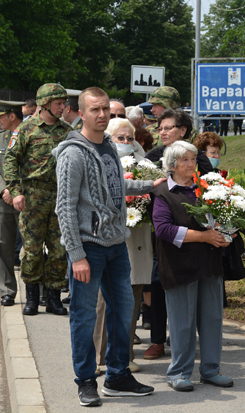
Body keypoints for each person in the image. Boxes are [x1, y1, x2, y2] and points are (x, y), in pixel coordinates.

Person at [55, 87, 161, 406]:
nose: (102, 115)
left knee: (123, 311)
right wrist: (77, 256)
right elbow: (65, 207)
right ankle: (86, 380)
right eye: (95, 109)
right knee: (84, 316)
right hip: (88, 249)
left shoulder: (109, 146)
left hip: (117, 245)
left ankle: (117, 376)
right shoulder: (73, 153)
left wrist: (149, 185)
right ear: (81, 114)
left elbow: (115, 187)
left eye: (105, 108)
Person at [152, 140, 233, 391]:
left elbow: (225, 218)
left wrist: (226, 234)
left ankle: (211, 370)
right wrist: (203, 237)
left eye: (193, 159)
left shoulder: (207, 187)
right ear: (172, 165)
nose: (191, 164)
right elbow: (163, 229)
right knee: (182, 323)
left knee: (212, 320)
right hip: (180, 266)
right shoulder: (163, 192)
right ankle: (179, 373)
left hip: (209, 263)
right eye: (185, 160)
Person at [143, 108, 213, 361]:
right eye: (160, 128)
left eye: (168, 127)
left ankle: (183, 338)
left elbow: (212, 190)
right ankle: (157, 339)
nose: (162, 132)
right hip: (161, 231)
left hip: (194, 233)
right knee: (158, 282)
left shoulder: (199, 159)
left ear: (182, 130)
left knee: (191, 286)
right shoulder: (153, 157)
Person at [3, 83, 71, 316]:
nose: (62, 107)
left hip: (60, 197)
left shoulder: (67, 131)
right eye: (58, 103)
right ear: (44, 104)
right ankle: (32, 298)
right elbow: (10, 160)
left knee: (59, 250)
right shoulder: (26, 129)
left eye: (64, 103)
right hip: (33, 197)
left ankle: (53, 298)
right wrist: (16, 191)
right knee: (32, 251)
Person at [91, 118, 153, 375]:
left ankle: (125, 356)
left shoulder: (145, 164)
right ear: (109, 138)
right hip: (110, 237)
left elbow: (154, 193)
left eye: (130, 138)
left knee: (131, 301)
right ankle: (98, 358)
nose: (126, 142)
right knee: (105, 301)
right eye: (120, 138)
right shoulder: (98, 160)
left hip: (137, 239)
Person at [0, 100, 25, 306]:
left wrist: (17, 192)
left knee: (33, 248)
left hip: (26, 201)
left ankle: (38, 292)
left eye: (1, 116)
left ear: (12, 116)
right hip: (3, 202)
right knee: (3, 248)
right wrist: (4, 191)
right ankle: (7, 291)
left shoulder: (30, 135)